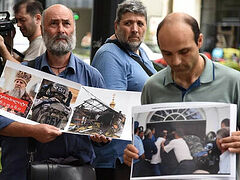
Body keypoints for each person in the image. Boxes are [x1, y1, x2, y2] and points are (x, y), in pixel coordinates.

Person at [123, 12, 240, 177]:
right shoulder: (152, 87)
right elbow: (136, 147)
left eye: (184, 51)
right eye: (167, 54)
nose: (176, 61)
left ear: (199, 41)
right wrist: (131, 155)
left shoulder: (234, 82)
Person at [0, 4, 107, 180]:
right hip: (25, 173)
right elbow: (1, 123)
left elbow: (103, 130)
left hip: (75, 173)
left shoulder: (92, 77)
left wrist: (101, 137)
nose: (61, 30)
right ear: (42, 29)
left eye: (66, 23)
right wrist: (33, 131)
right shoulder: (23, 74)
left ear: (74, 29)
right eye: (53, 24)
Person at [91, 1, 156, 180]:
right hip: (116, 161)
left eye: (140, 23)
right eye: (128, 23)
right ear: (116, 26)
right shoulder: (109, 55)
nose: (135, 29)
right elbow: (115, 112)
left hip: (133, 156)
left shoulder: (140, 52)